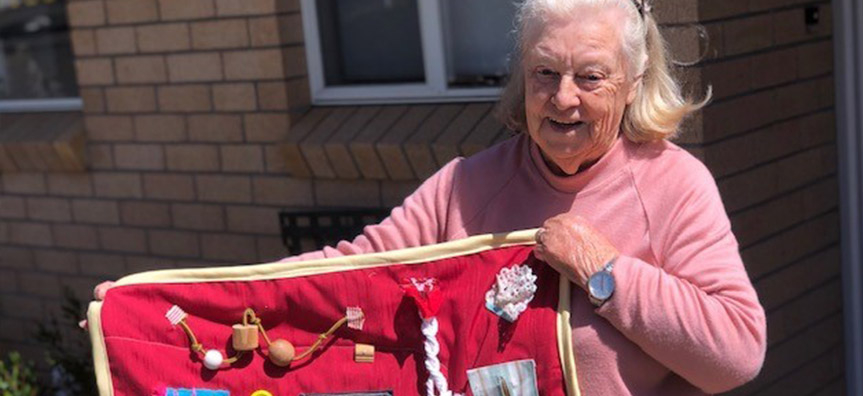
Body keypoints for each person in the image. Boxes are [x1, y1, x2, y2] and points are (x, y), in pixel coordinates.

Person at [95, 0, 766, 394]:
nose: (563, 97)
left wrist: (605, 271)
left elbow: (736, 352)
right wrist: (150, 306)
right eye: (543, 73)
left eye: (590, 76)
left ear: (633, 78)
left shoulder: (673, 184)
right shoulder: (466, 185)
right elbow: (336, 280)